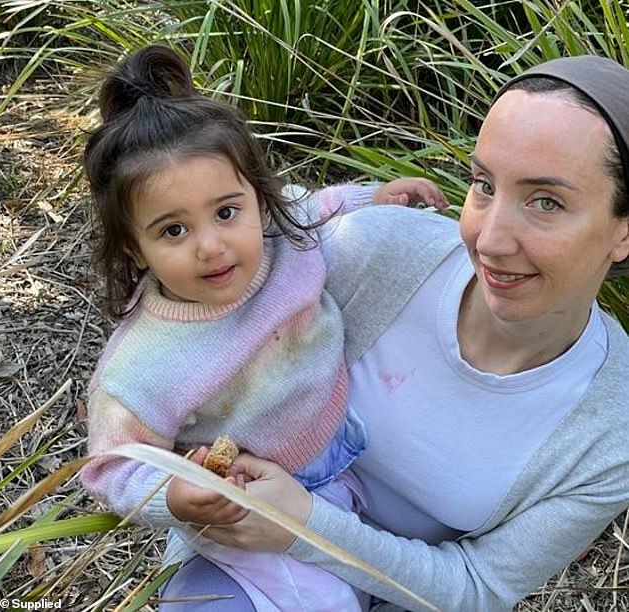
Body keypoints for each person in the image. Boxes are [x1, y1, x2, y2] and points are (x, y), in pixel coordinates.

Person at [182, 55, 629, 611]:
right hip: (251, 566)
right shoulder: (382, 253)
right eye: (483, 185)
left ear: (622, 232)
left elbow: (477, 588)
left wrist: (305, 526)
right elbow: (248, 224)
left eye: (546, 202)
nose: (490, 240)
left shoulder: (612, 425)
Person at [79, 44, 447, 611]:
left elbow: (313, 204)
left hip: (346, 457)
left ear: (256, 198)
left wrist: (370, 196)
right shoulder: (142, 366)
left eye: (227, 212)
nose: (211, 245)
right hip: (252, 499)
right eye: (173, 231)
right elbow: (112, 467)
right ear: (134, 247)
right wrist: (174, 495)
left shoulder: (279, 236)